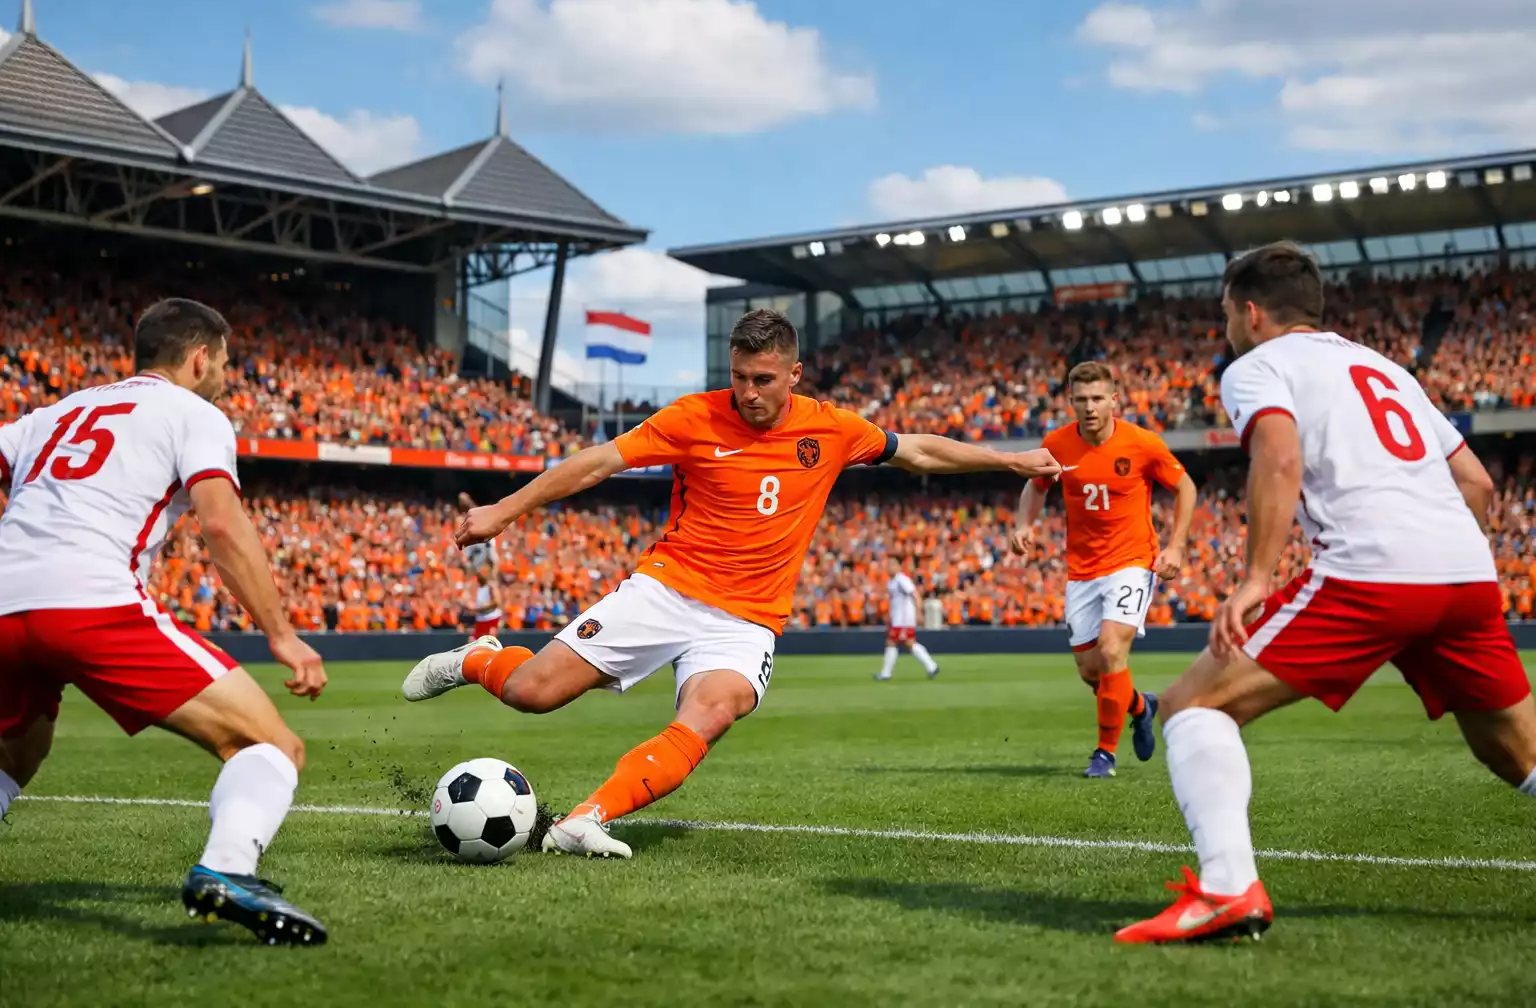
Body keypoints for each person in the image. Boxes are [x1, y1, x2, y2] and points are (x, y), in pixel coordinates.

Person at [401, 309, 1061, 858]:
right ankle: (478, 658)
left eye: (764, 379)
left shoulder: (831, 428)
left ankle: (585, 820)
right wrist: (504, 510)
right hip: (668, 589)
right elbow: (598, 462)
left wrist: (1009, 460)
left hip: (747, 618)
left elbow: (918, 448)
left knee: (714, 710)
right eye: (740, 377)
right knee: (531, 693)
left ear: (794, 375)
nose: (749, 392)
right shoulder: (694, 417)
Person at [1115, 242, 1536, 944]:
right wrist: (1442, 561)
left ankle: (1225, 890)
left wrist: (1254, 577)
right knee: (1515, 755)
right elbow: (1479, 485)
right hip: (1464, 572)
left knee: (1194, 704)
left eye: (1226, 315)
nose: (1226, 329)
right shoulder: (1387, 369)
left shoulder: (1259, 366)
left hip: (1373, 570)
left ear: (1250, 313)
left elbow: (1279, 455)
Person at [0, 298, 329, 946]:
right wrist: (282, 634)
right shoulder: (193, 413)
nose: (228, 378)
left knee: (15, 752)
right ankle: (228, 871)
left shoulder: (56, 413)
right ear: (200, 357)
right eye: (226, 364)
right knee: (271, 746)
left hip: (5, 600)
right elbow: (221, 523)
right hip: (90, 597)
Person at [1011, 361, 1197, 777]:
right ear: (1071, 402)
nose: (1090, 407)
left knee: (1113, 649)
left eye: (1098, 398)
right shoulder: (1057, 444)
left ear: (1114, 399)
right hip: (1082, 570)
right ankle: (1140, 705)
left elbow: (1185, 486)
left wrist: (1177, 545)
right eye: (1082, 400)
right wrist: (1024, 523)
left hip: (1132, 561)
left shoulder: (1142, 443)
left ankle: (1104, 755)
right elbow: (1036, 484)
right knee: (1093, 673)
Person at [874, 557, 940, 681]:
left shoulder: (902, 580)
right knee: (902, 643)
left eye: (892, 564)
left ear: (899, 567)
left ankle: (886, 674)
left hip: (904, 619)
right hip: (898, 619)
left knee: (899, 642)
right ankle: (931, 666)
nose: (889, 567)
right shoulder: (891, 582)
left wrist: (919, 613)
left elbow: (915, 594)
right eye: (888, 564)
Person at [459, 494, 503, 640]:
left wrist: (476, 608)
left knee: (488, 647)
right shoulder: (478, 584)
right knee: (472, 643)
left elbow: (497, 602)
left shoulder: (491, 582)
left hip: (489, 617)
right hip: (481, 618)